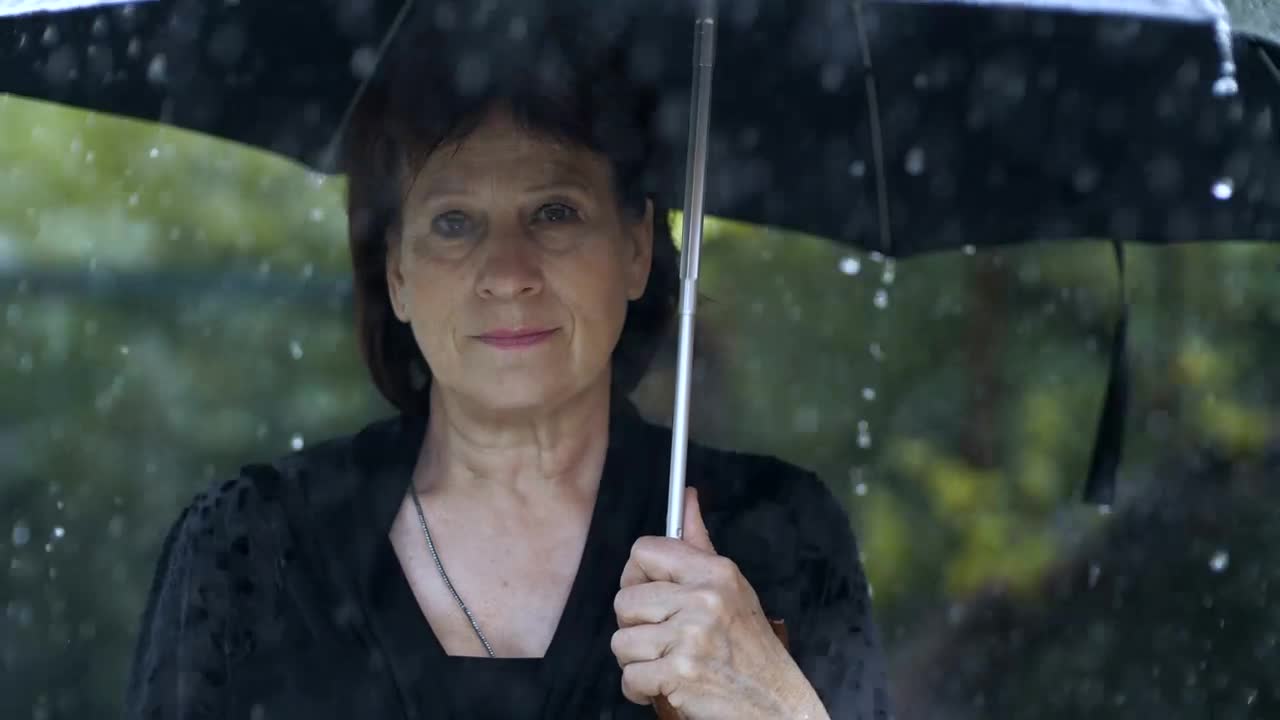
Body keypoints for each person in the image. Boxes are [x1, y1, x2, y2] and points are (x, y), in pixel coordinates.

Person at [123, 10, 890, 720]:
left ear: (634, 247)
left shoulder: (773, 539)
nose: (508, 272)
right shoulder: (250, 552)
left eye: (555, 211)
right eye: (454, 222)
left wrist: (777, 705)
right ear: (396, 271)